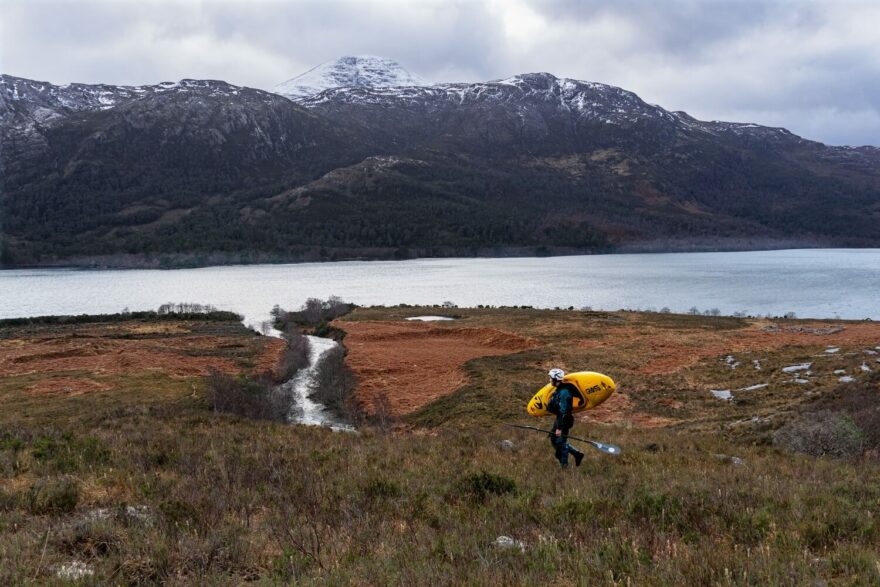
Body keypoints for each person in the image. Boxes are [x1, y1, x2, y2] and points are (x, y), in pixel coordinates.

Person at [547, 368, 584, 468]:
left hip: (564, 421)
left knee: (560, 444)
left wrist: (559, 428)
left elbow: (564, 412)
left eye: (551, 378)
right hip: (560, 419)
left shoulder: (564, 393)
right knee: (554, 439)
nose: (549, 380)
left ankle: (564, 467)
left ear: (556, 379)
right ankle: (577, 454)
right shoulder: (559, 389)